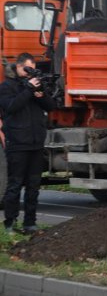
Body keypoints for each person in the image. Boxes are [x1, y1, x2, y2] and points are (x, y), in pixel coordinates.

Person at [0, 52, 55, 234]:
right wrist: (28, 90)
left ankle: (30, 223)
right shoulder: (7, 87)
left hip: (36, 143)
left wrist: (40, 94)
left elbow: (50, 106)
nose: (30, 72)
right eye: (27, 69)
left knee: (34, 185)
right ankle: (10, 223)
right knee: (15, 185)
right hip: (17, 143)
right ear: (18, 67)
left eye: (32, 68)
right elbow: (11, 107)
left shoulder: (33, 86)